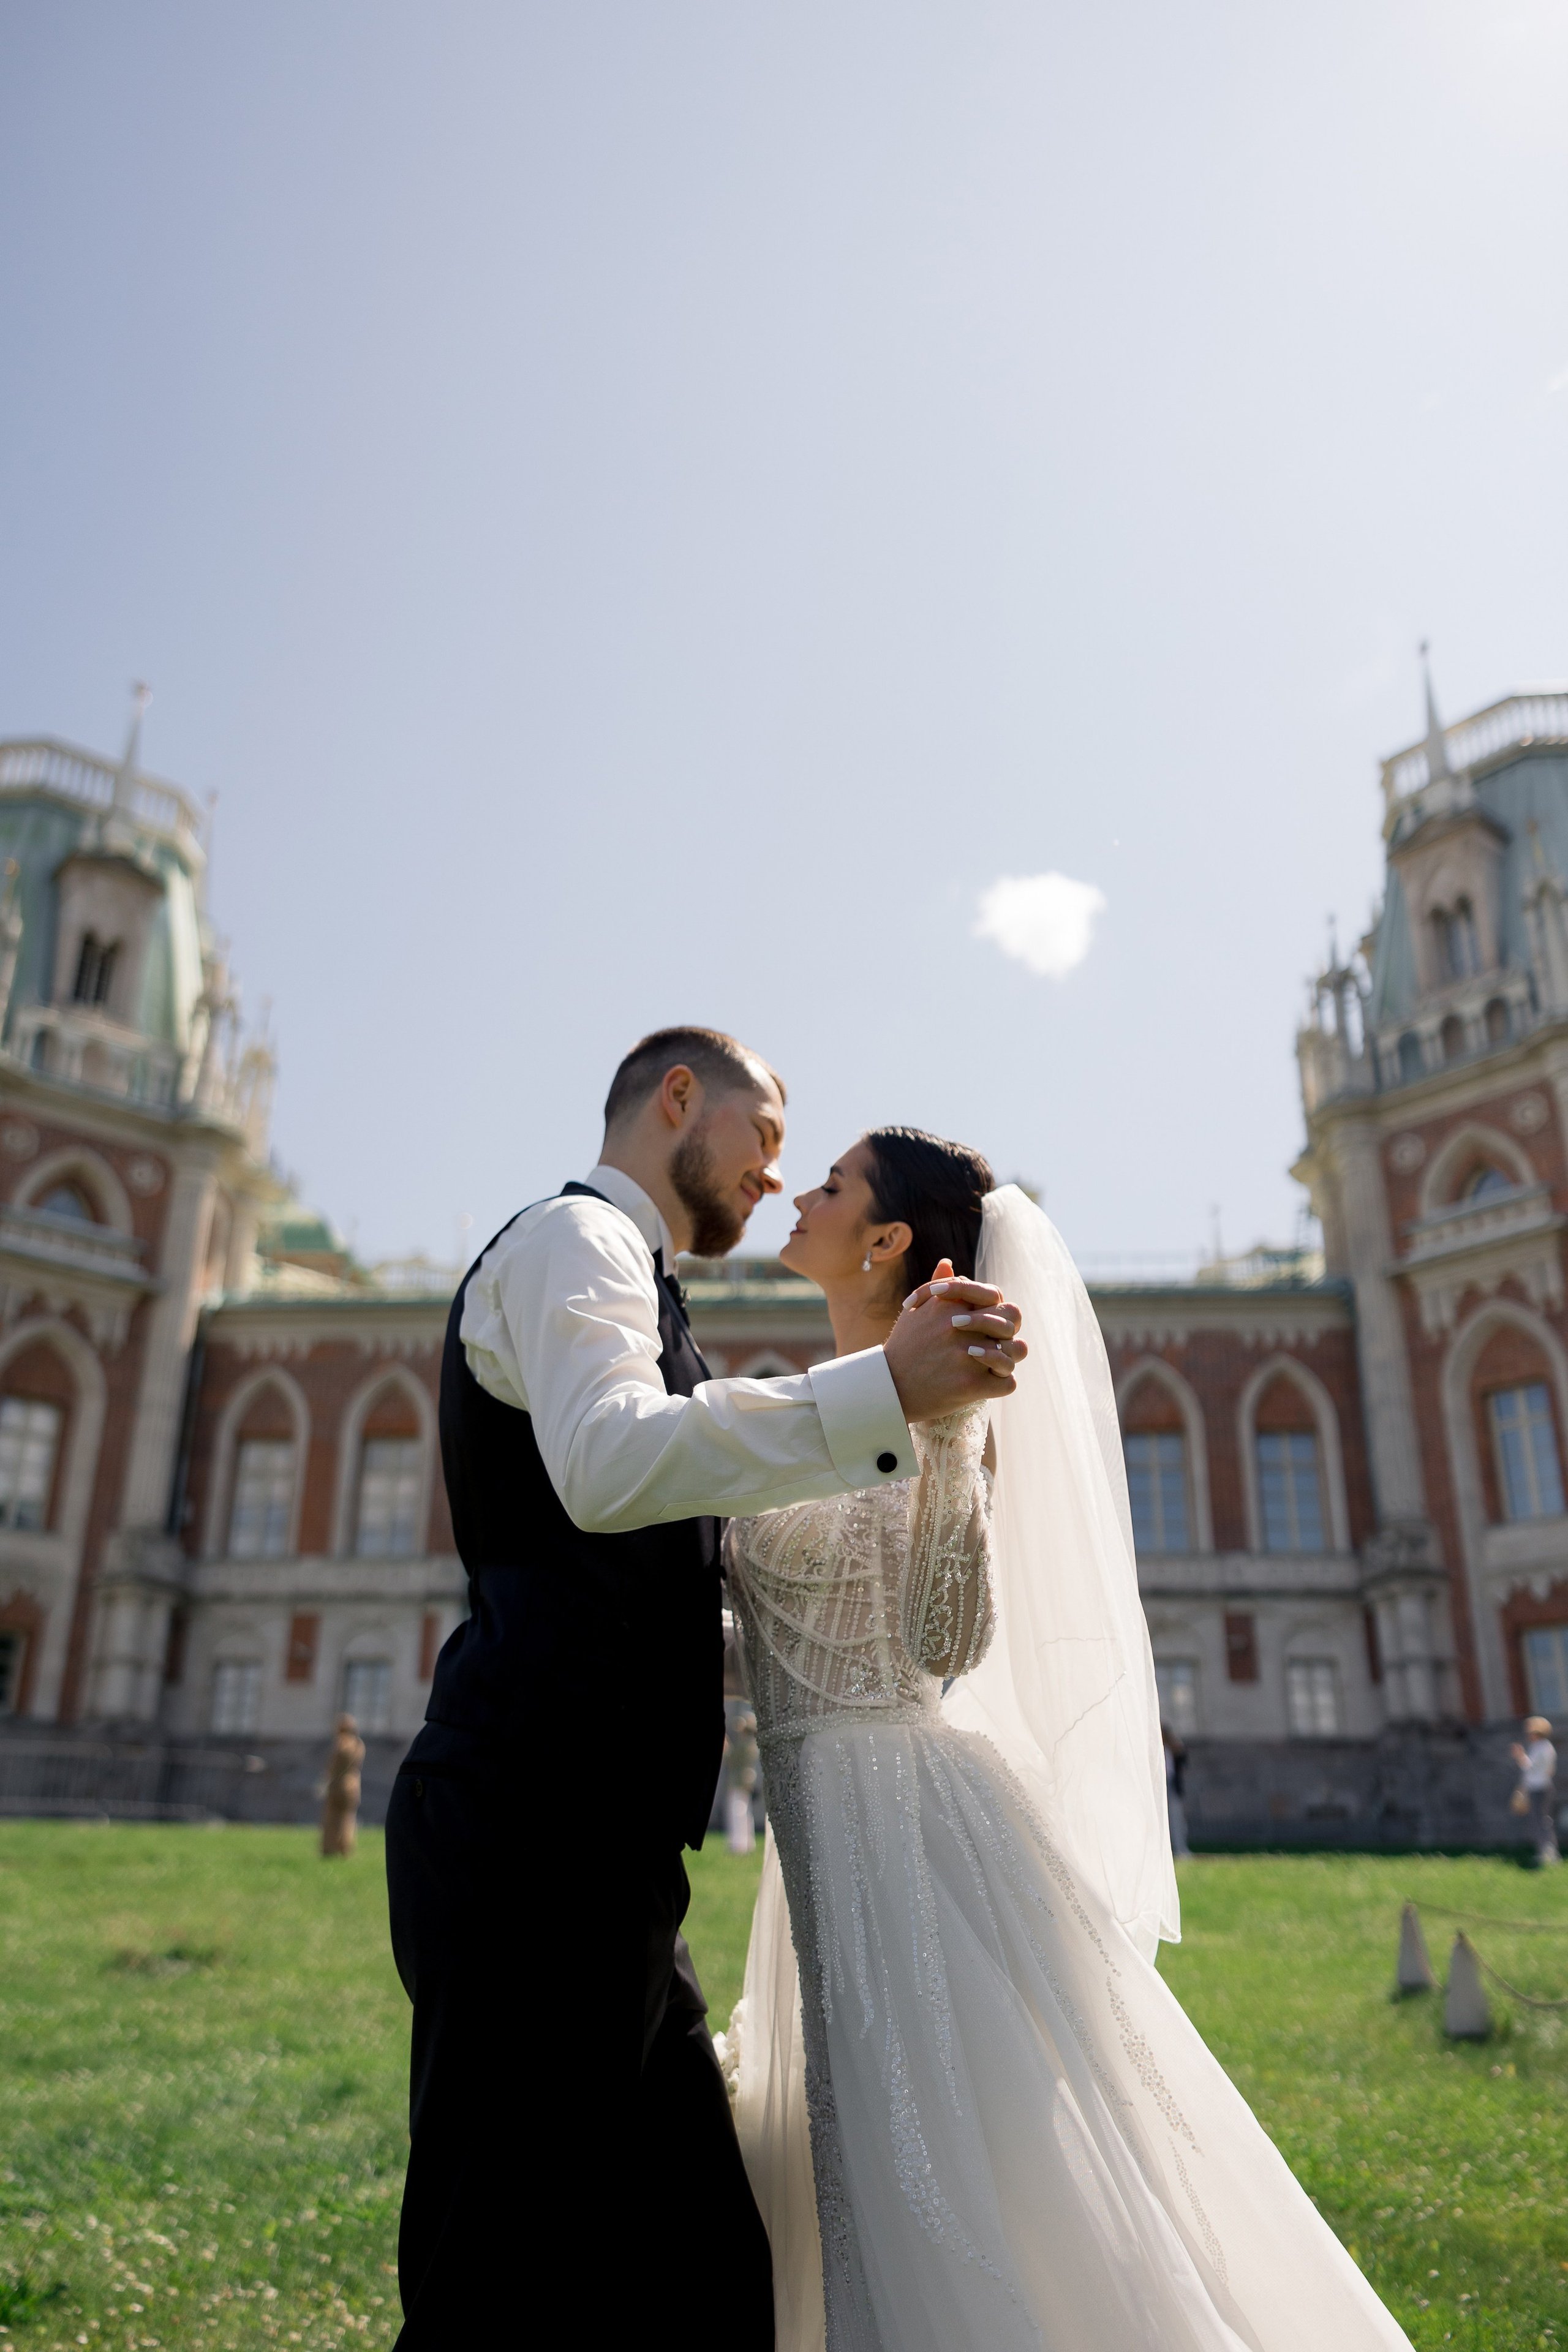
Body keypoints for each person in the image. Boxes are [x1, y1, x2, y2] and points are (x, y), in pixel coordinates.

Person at [383, 1031, 1026, 2351]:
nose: (773, 1173)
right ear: (678, 1099)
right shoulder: (577, 1243)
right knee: (494, 2274)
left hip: (602, 1855)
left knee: (710, 2276)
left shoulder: (643, 1288)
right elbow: (610, 1467)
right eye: (764, 1133)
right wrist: (877, 1392)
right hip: (523, 1832)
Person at [726, 1129, 1415, 2351]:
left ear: (886, 1243)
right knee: (881, 2162)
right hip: (816, 1822)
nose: (798, 1194)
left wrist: (945, 1444)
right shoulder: (801, 1400)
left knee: (949, 2173)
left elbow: (942, 1643)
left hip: (899, 1821)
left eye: (829, 1187)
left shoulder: (945, 1418)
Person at [1511, 1714, 1559, 1866]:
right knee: (1542, 1820)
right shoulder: (1543, 1747)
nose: (1529, 1735)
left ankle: (1548, 1852)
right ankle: (1547, 1851)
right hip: (1540, 1786)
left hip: (1539, 1787)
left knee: (1541, 1821)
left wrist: (1520, 1756)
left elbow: (1530, 1767)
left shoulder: (1542, 1747)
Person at [320, 1713, 364, 1857]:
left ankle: (329, 1849)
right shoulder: (359, 1745)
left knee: (332, 1817)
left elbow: (332, 1766)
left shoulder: (341, 1743)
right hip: (353, 1784)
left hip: (338, 1783)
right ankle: (345, 1848)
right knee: (348, 1818)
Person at [725, 1702, 761, 1854]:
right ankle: (745, 1843)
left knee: (738, 1811)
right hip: (745, 1781)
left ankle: (739, 1844)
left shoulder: (745, 1745)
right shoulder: (750, 1744)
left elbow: (731, 1759)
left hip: (740, 1781)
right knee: (744, 1812)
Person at [1164, 1720, 1191, 1858]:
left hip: (1172, 1785)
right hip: (1162, 1785)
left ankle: (1181, 1849)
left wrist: (1178, 1748)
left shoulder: (1173, 1749)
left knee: (1177, 1818)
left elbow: (1184, 1762)